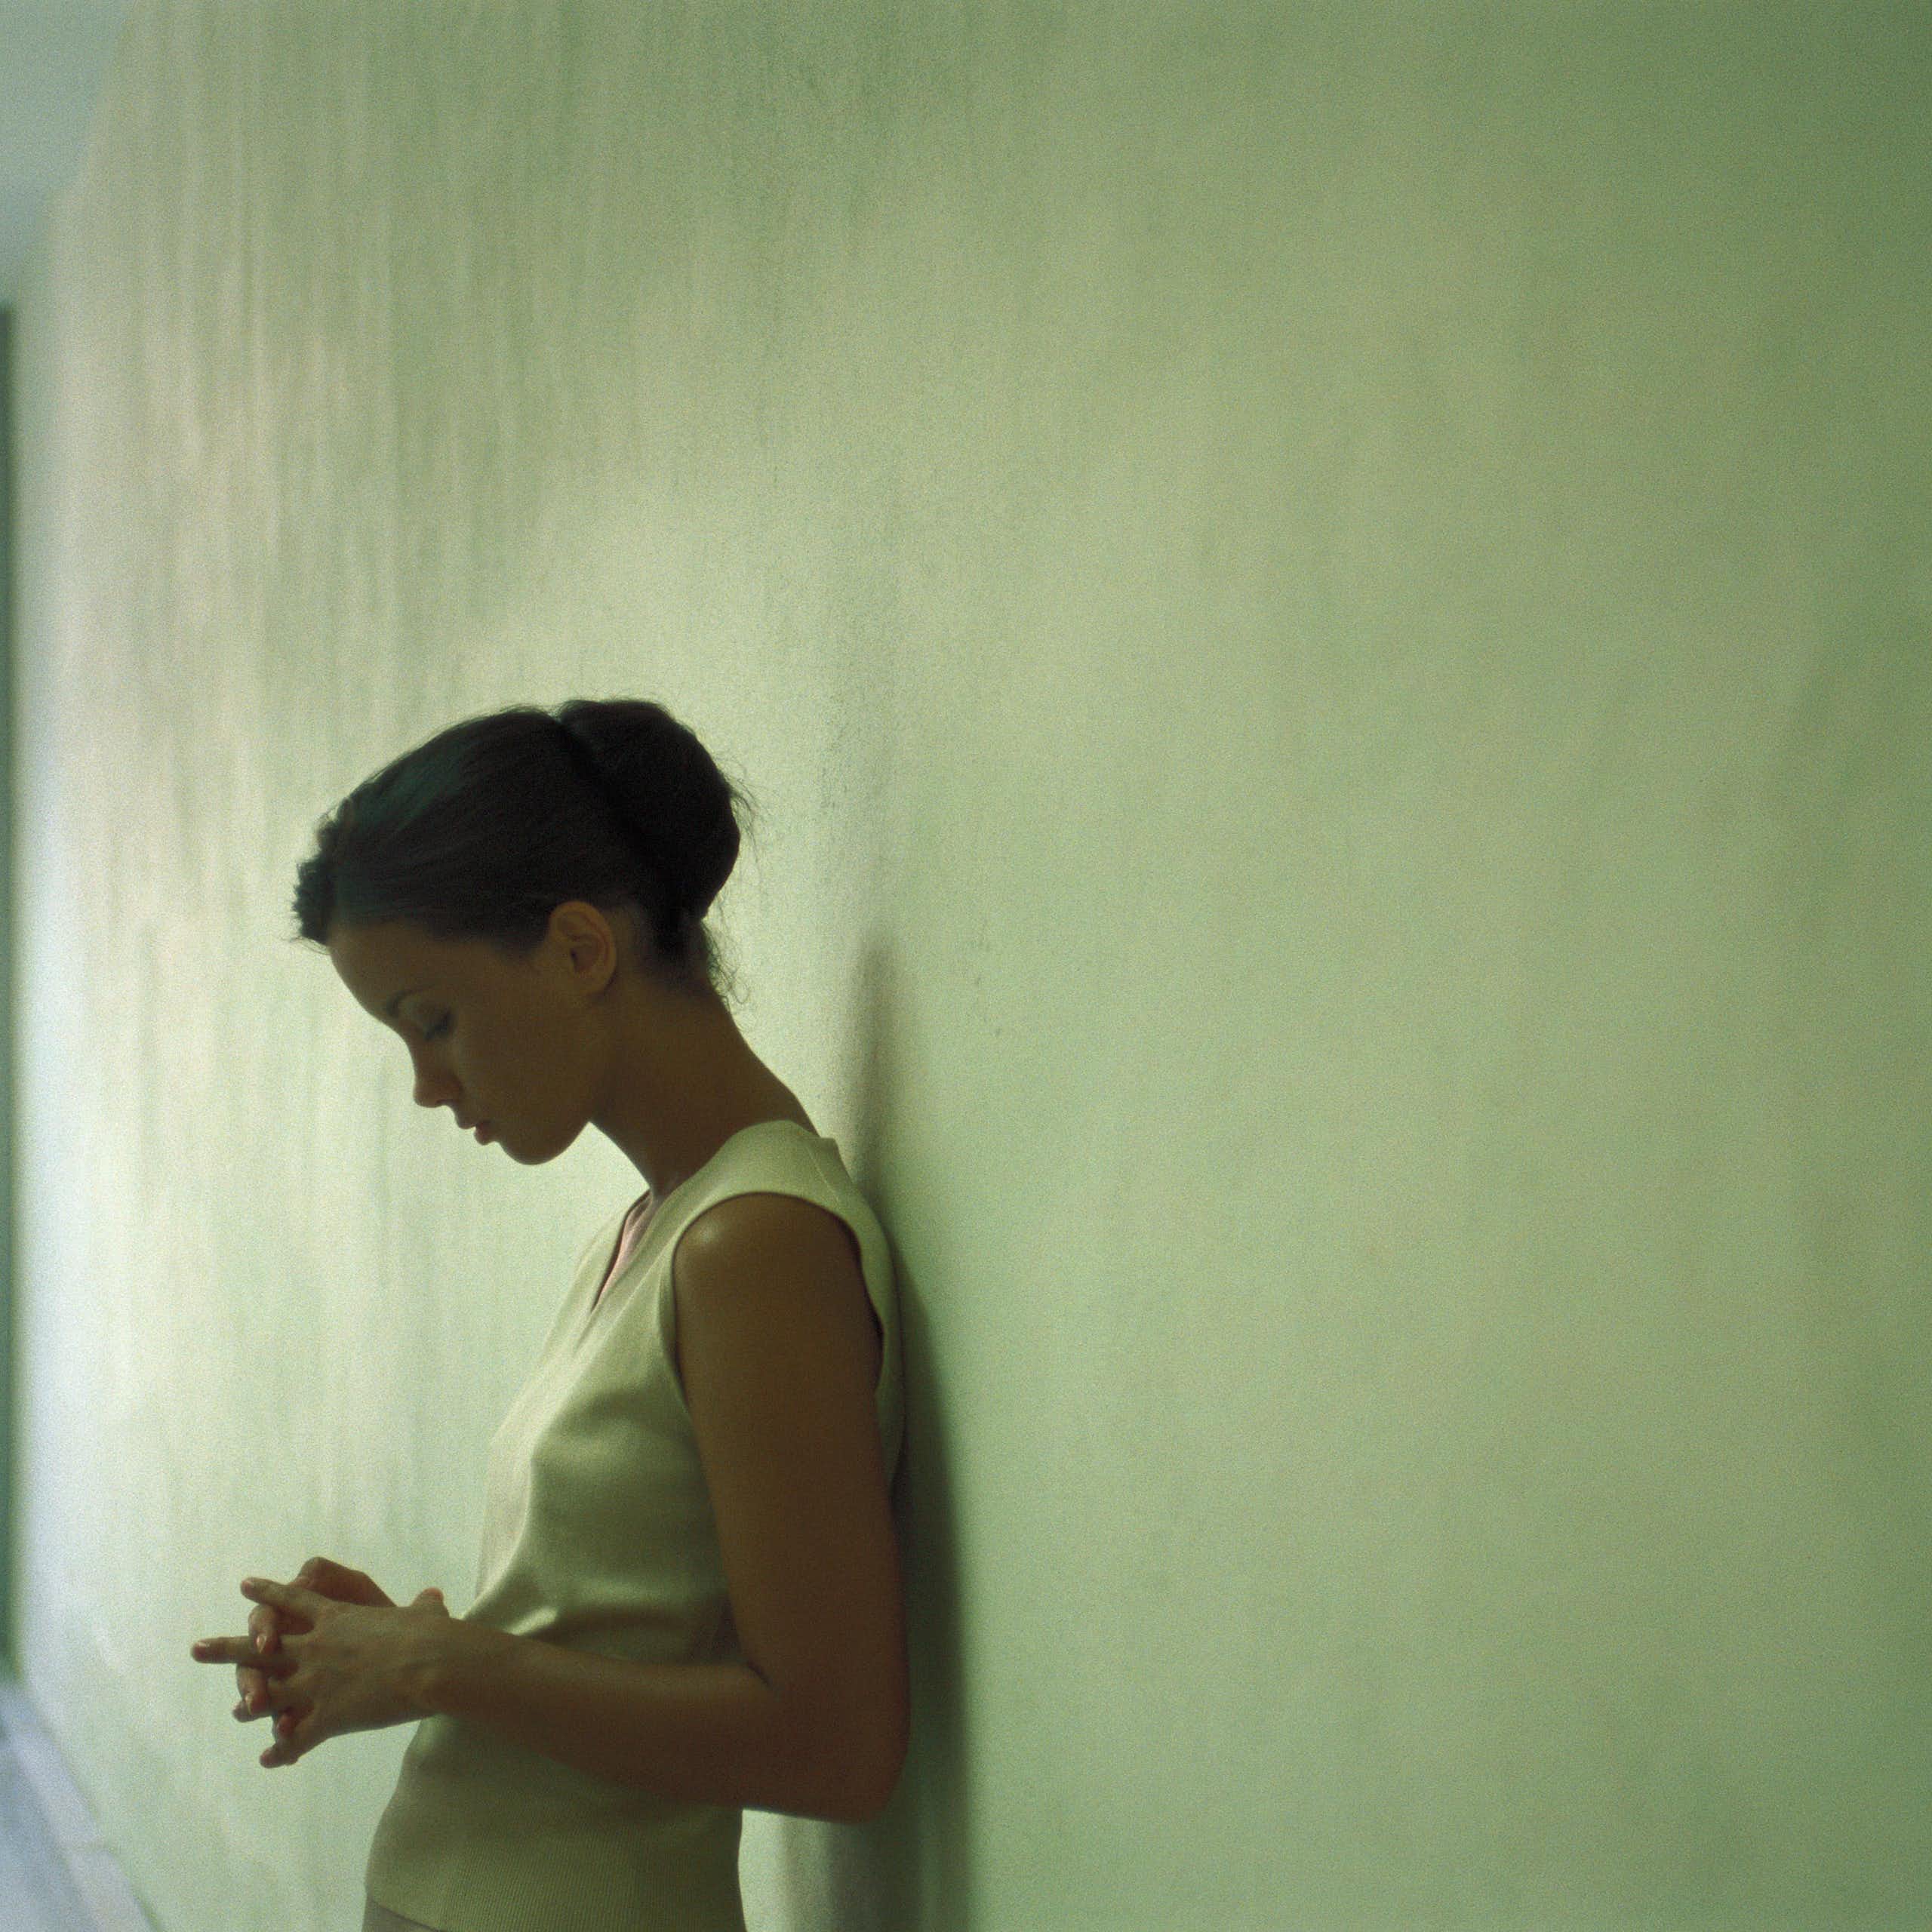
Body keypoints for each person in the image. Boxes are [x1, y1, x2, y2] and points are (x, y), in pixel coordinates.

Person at [196, 699, 907, 1932]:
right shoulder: (647, 1236)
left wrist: (448, 1664)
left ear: (582, 949)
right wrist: (406, 1652)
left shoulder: (759, 1246)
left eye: (434, 1021)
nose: (426, 1085)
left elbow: (837, 1745)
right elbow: (632, 1646)